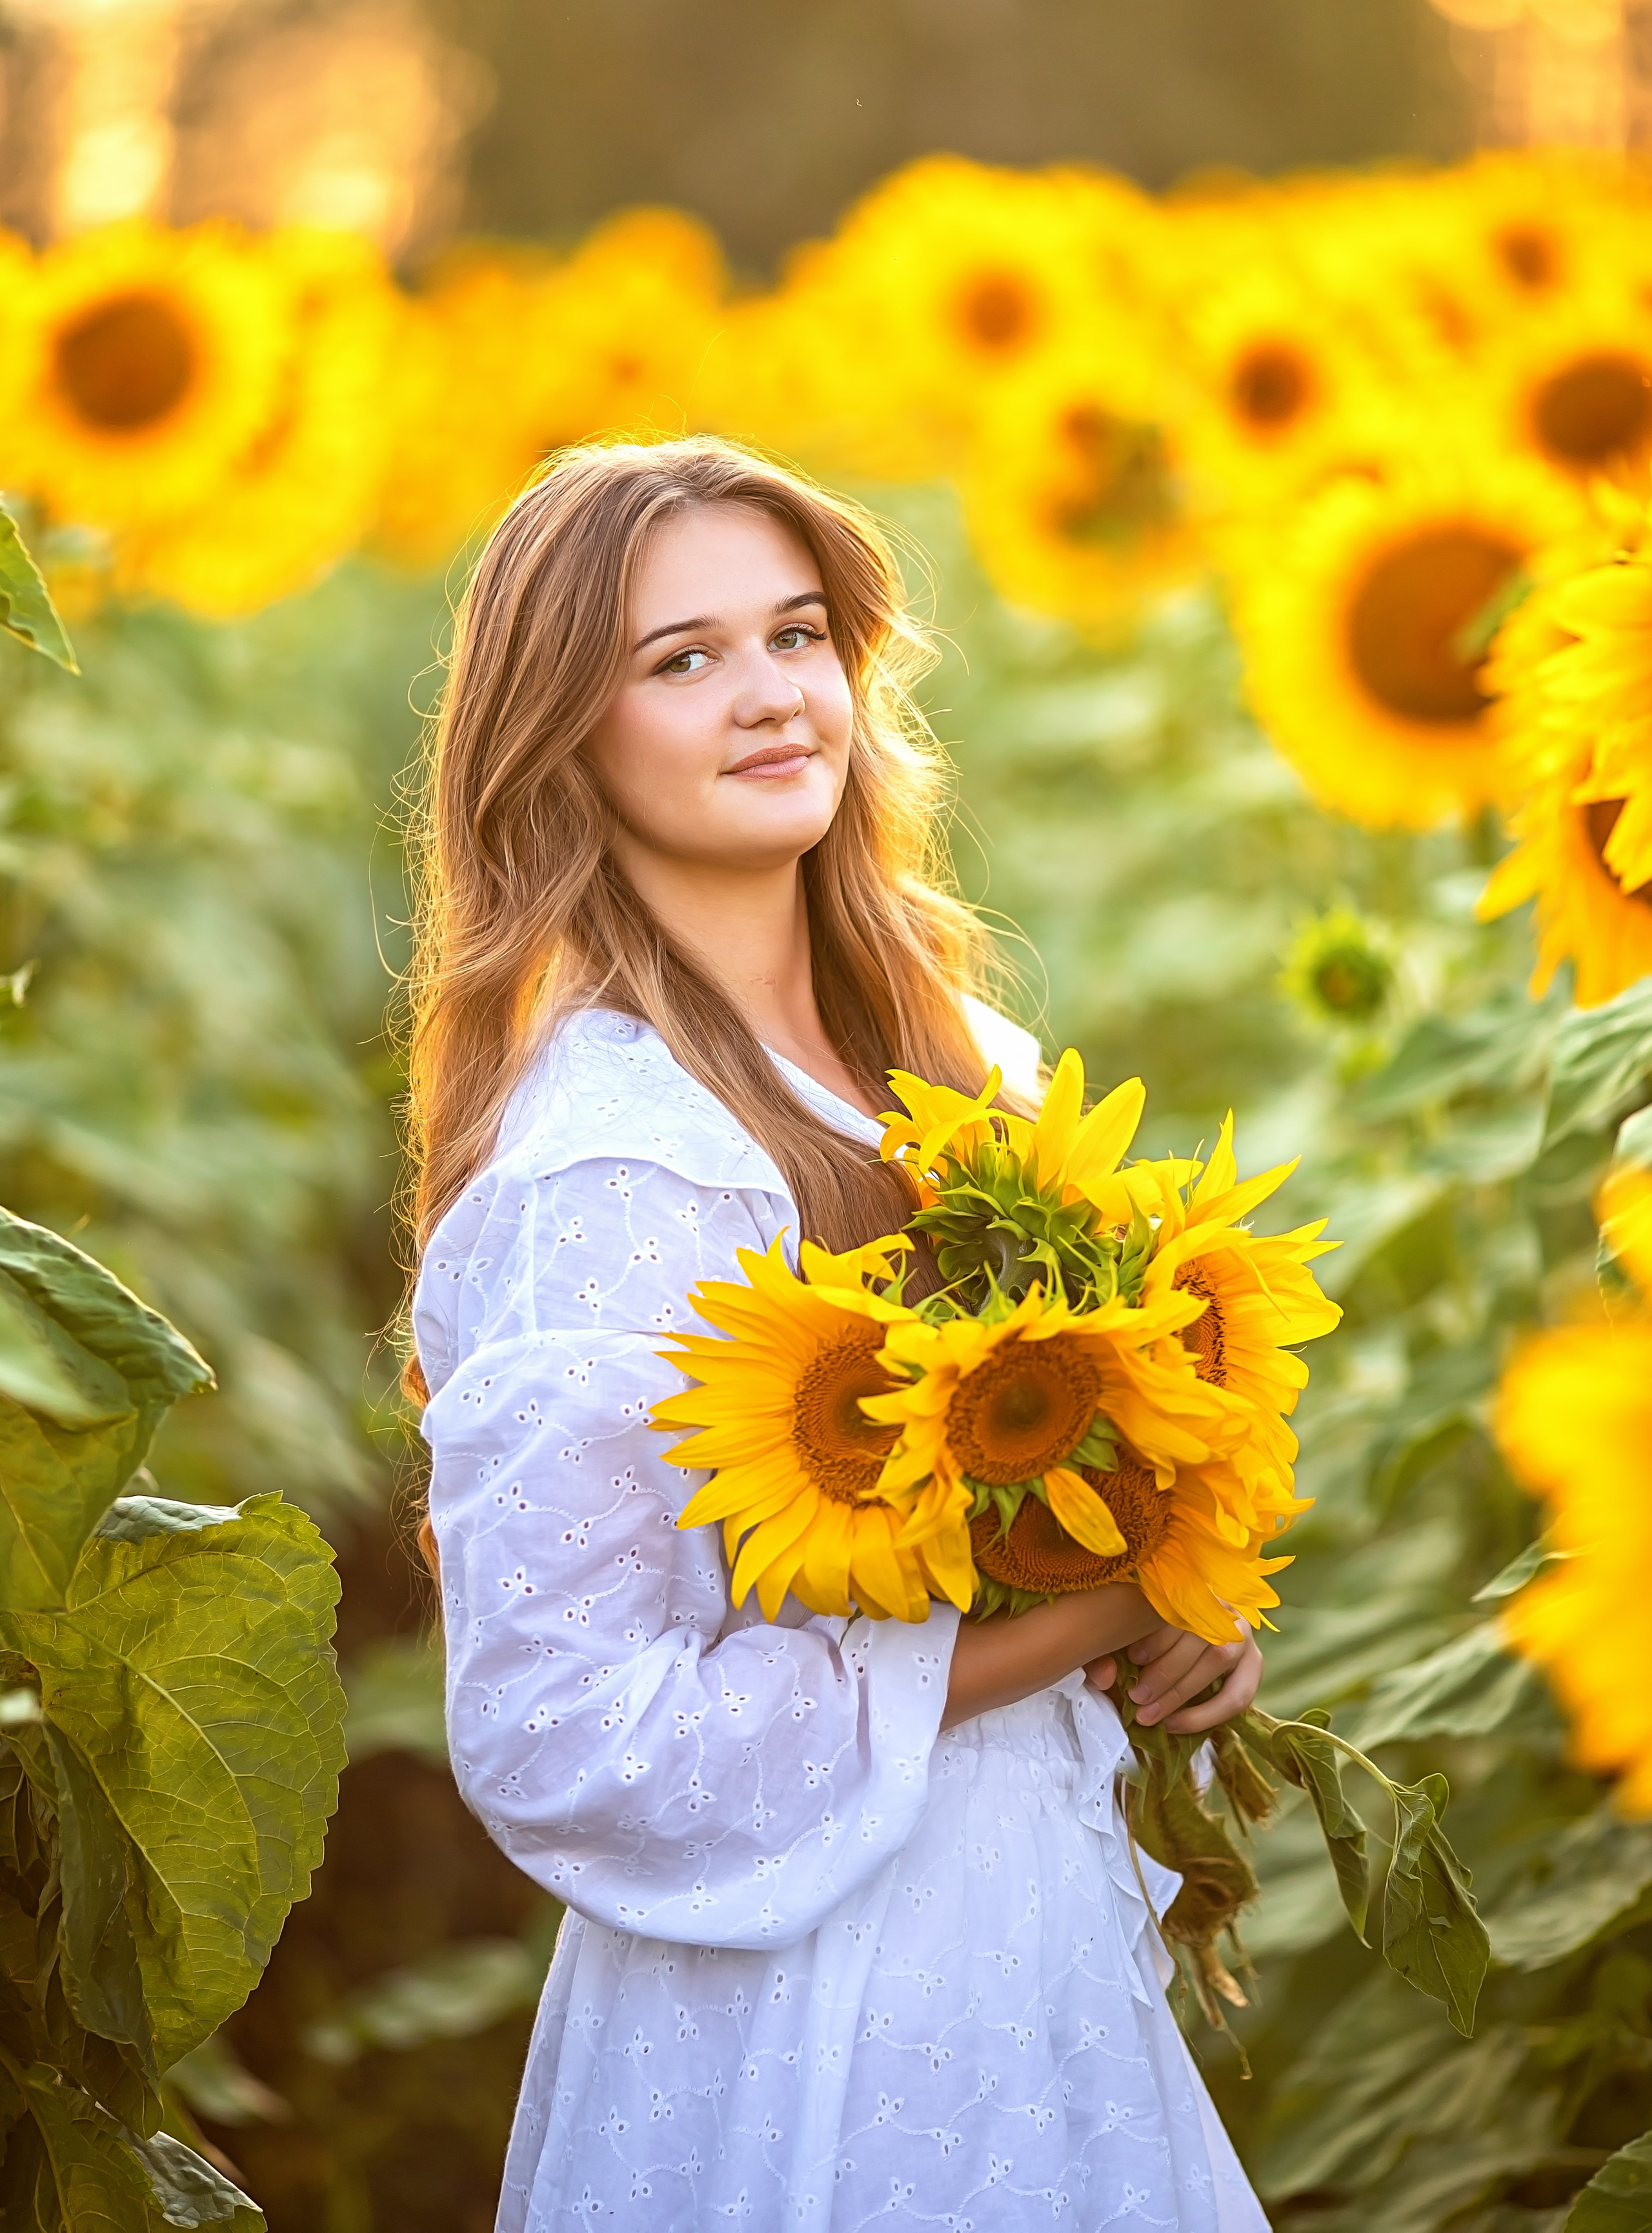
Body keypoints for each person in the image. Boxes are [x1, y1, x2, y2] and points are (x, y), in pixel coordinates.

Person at [406, 435, 1270, 2231]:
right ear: (561, 738)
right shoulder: (620, 1167)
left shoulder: (964, 1070)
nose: (772, 695)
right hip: (808, 2018)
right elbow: (563, 1727)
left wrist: (1175, 1601)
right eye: (683, 658)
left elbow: (1050, 1515)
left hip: (1033, 1943)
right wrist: (1092, 1619)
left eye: (795, 634)